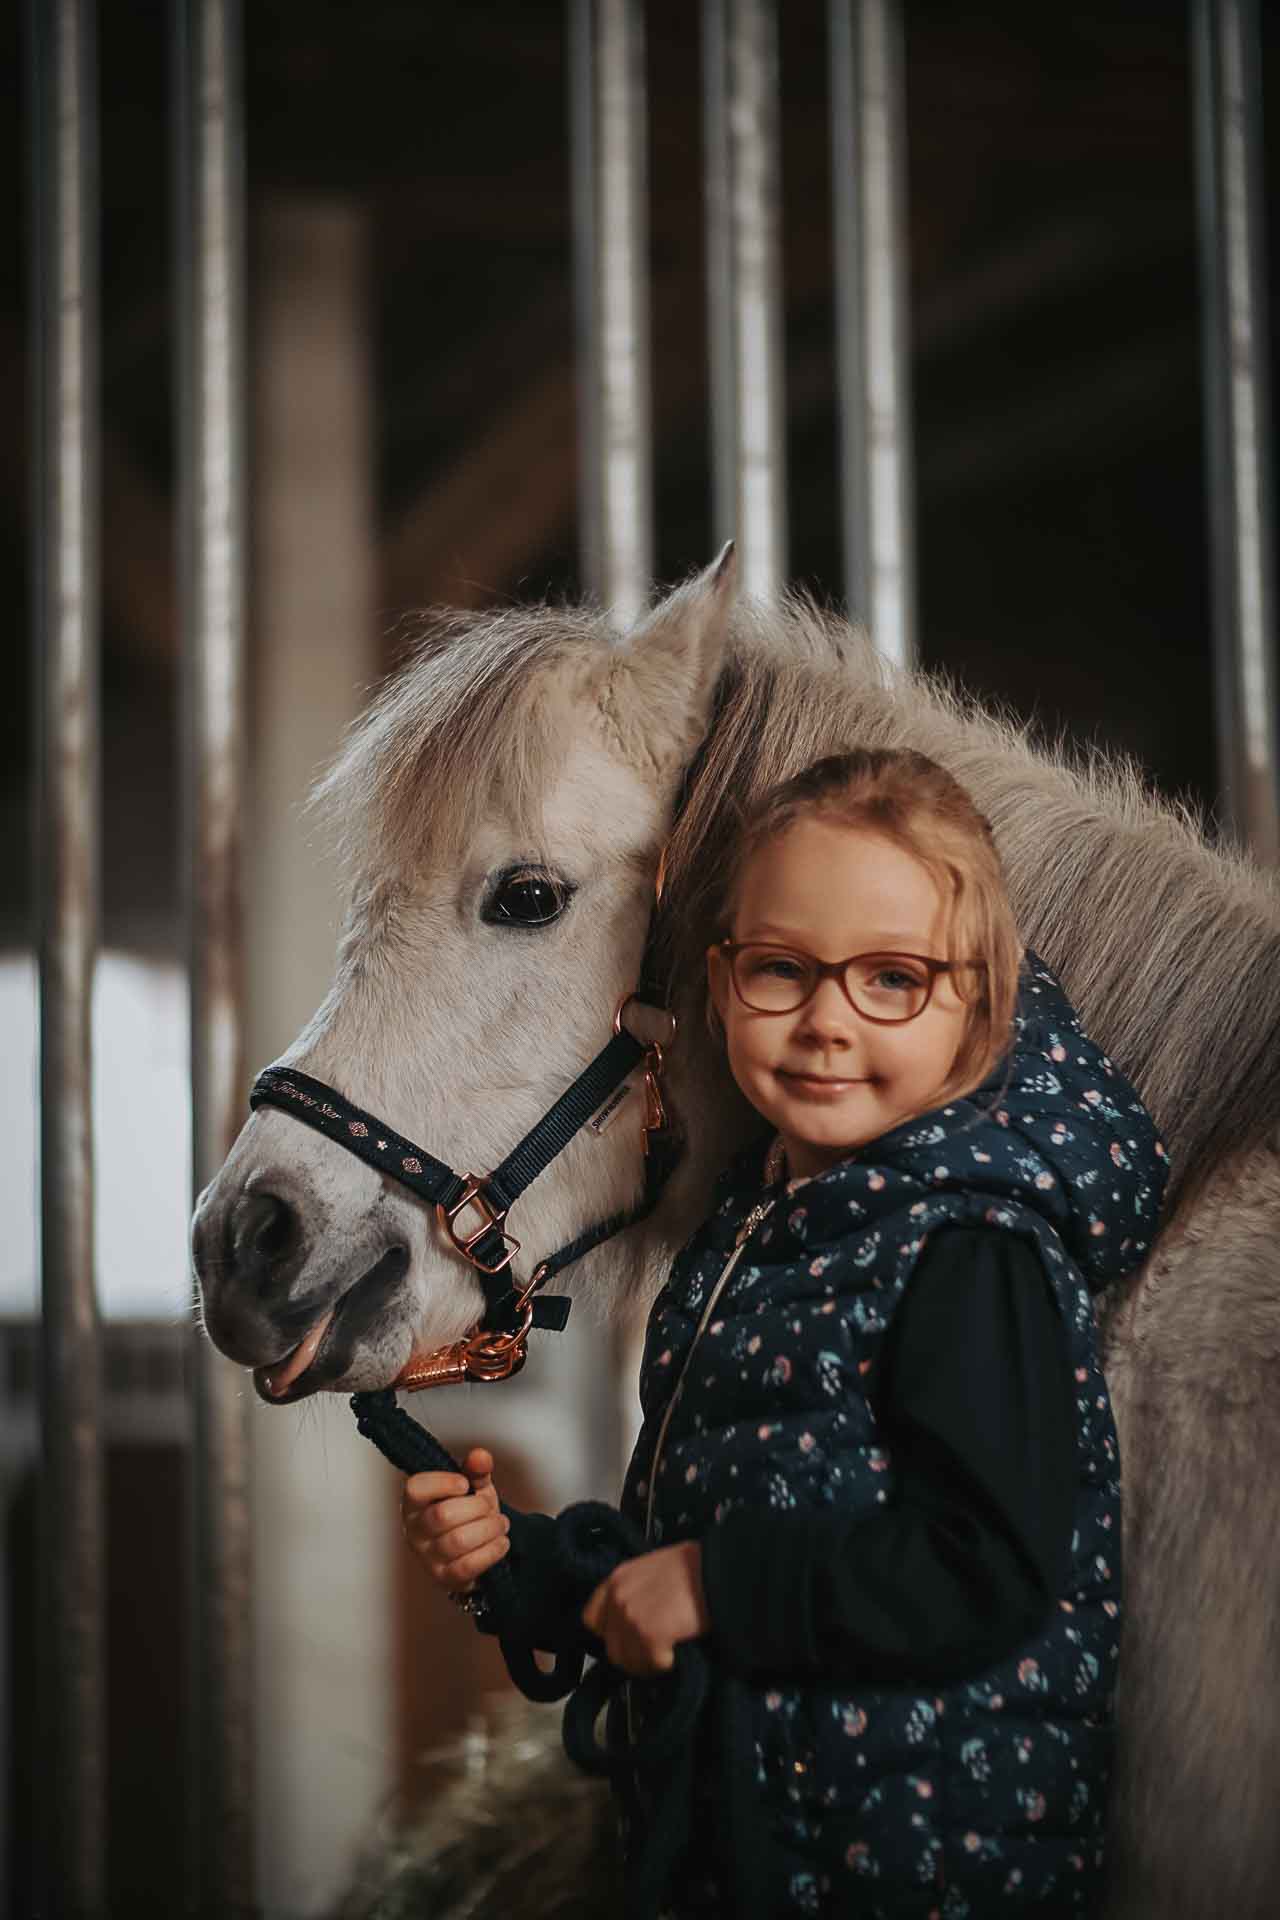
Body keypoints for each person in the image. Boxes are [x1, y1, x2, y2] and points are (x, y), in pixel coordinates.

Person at [401, 747, 1168, 1917]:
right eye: (780, 970)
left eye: (891, 981)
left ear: (977, 1004)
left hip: (906, 1869)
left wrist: (713, 1586)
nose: (823, 1022)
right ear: (716, 984)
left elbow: (985, 1569)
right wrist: (528, 1567)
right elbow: (716, 1528)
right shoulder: (764, 1225)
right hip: (767, 1840)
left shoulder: (969, 1250)